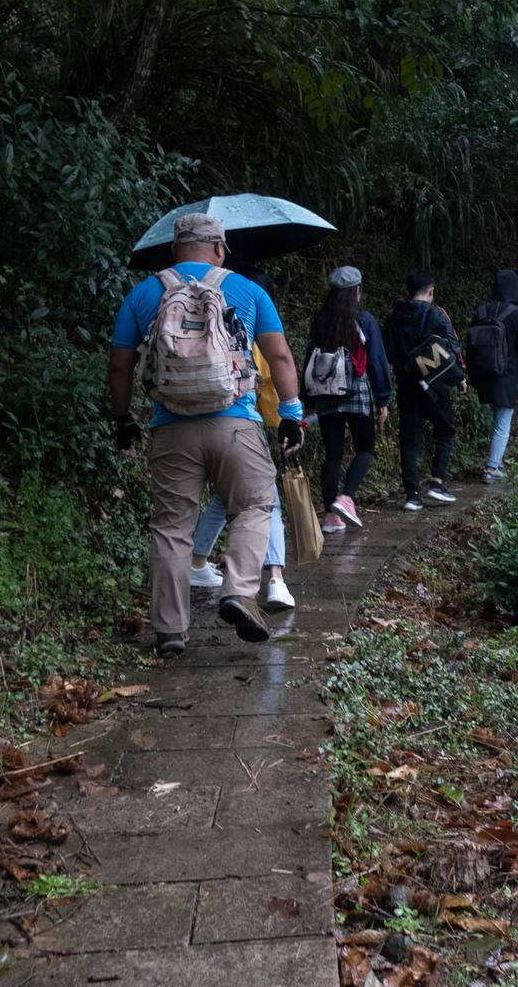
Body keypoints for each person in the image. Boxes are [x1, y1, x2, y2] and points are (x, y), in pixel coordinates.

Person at [108, 213, 304, 657]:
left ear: (175, 249)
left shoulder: (144, 293)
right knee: (255, 505)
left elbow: (120, 364)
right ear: (219, 248)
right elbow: (280, 357)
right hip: (236, 424)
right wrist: (292, 415)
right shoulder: (249, 290)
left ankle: (171, 631)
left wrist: (123, 420)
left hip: (171, 429)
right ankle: (237, 590)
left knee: (172, 527)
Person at [190, 262, 293, 610]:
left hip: (188, 419)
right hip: (242, 426)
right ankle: (274, 579)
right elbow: (270, 383)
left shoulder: (209, 321)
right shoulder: (251, 327)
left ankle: (196, 562)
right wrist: (288, 422)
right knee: (267, 501)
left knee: (223, 500)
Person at [307, 265, 392, 532]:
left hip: (324, 391)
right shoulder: (363, 319)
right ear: (356, 290)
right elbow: (377, 360)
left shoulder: (320, 320)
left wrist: (306, 399)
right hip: (356, 389)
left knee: (332, 455)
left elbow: (309, 358)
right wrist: (383, 398)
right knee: (366, 448)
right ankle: (346, 497)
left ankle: (330, 517)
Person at [384, 269, 462, 512]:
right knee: (445, 432)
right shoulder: (437, 315)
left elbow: (387, 352)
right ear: (430, 291)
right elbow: (452, 347)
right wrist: (460, 377)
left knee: (409, 441)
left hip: (407, 386)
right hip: (435, 385)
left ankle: (412, 496)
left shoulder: (393, 318)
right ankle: (437, 482)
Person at [465, 268, 518, 484]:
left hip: (482, 373)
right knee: (502, 420)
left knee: (497, 417)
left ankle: (497, 461)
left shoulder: (480, 312)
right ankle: (492, 467)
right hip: (504, 375)